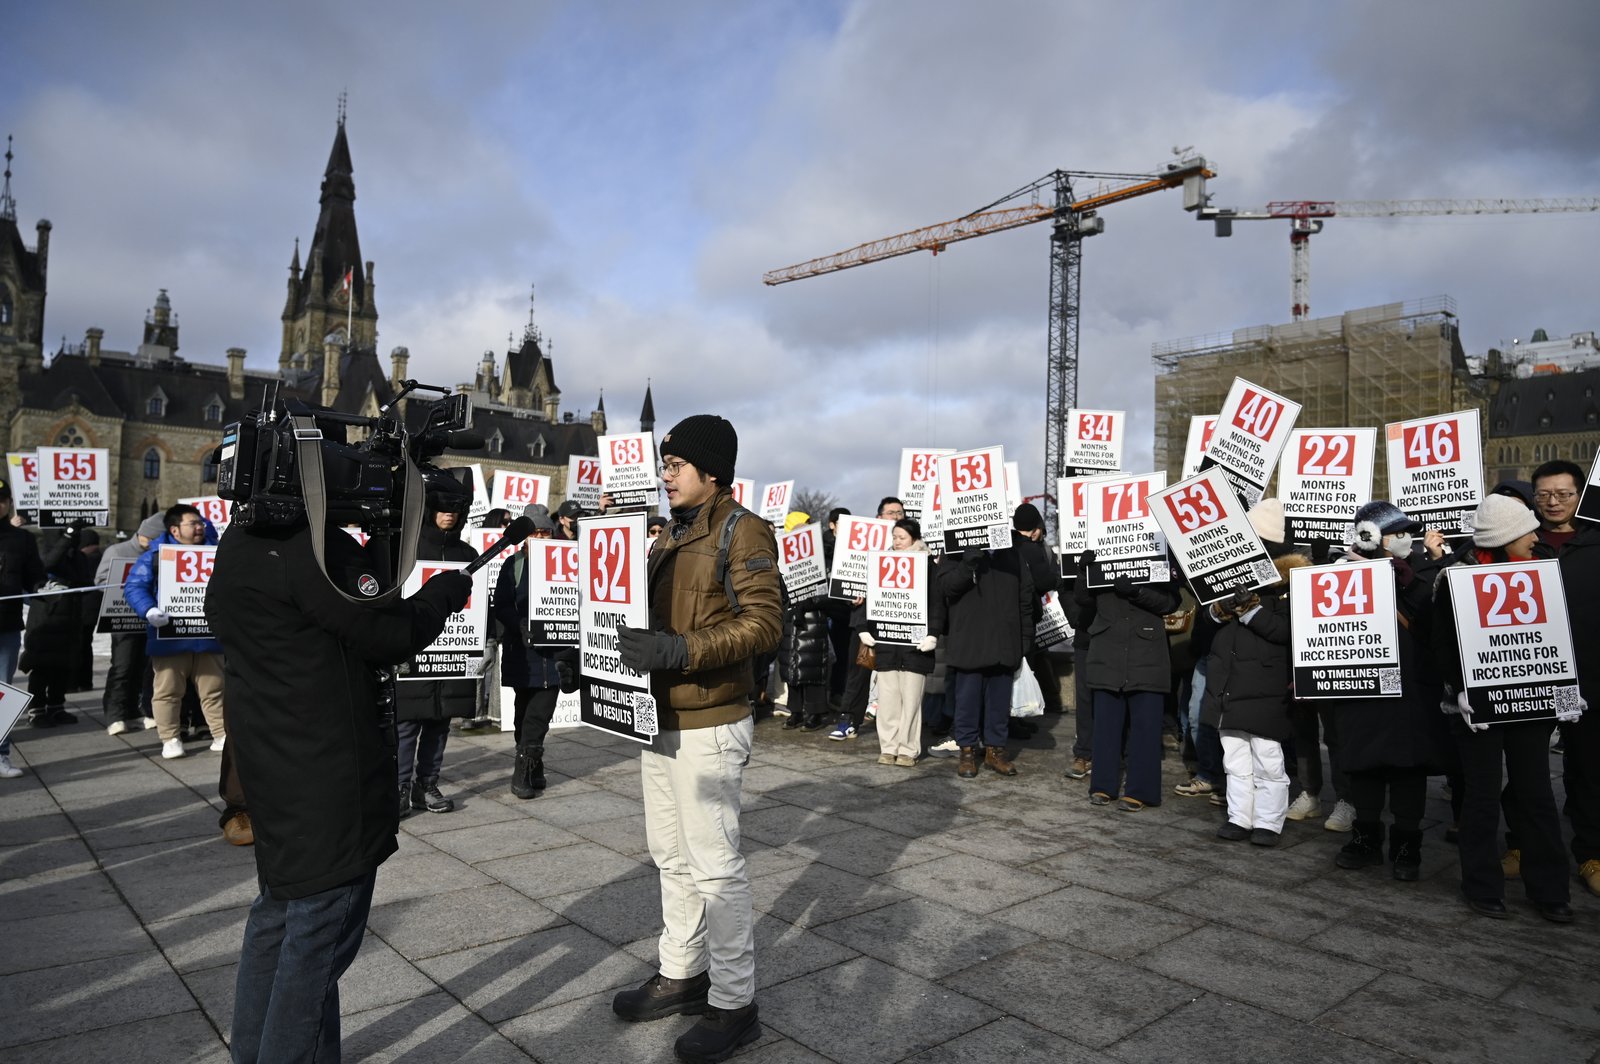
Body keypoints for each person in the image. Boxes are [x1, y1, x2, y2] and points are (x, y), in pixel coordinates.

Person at [206, 502, 473, 1062]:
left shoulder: (243, 539)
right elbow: (387, 632)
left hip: (271, 765)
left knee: (276, 922)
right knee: (314, 945)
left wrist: (378, 545)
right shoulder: (313, 548)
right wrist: (444, 594)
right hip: (325, 775)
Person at [610, 414, 780, 1064]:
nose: (665, 472)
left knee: (715, 866)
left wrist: (679, 650)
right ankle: (682, 971)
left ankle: (735, 1003)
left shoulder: (744, 529)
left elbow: (765, 624)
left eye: (676, 463)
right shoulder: (671, 535)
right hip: (660, 717)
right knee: (670, 856)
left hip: (710, 720)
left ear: (712, 472)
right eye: (664, 462)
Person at [1432, 493, 1575, 922]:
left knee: (1536, 794)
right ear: (1505, 537)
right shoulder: (1455, 578)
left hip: (1530, 704)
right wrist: (1459, 690)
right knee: (1480, 795)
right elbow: (1441, 644)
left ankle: (1549, 889)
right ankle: (1481, 885)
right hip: (1478, 709)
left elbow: (1556, 638)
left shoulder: (1542, 572)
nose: (1535, 537)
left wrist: (1565, 691)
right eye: (1526, 531)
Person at [1327, 500, 1450, 879]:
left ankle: (1406, 844)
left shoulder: (1422, 573)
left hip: (1411, 688)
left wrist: (1412, 577)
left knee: (1407, 768)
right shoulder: (1341, 572)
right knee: (1363, 765)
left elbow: (1433, 623)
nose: (1407, 539)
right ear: (1374, 537)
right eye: (1399, 533)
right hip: (1362, 684)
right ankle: (1364, 839)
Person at [1202, 500, 1308, 846]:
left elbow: (1287, 631)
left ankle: (1268, 821)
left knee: (1267, 757)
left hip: (1264, 683)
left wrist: (1251, 610)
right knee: (1233, 755)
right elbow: (1208, 625)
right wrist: (1219, 610)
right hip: (1228, 682)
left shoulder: (1291, 583)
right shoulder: (1230, 574)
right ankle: (1240, 817)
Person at [1530, 460, 1600, 898]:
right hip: (1529, 676)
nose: (1553, 502)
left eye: (1563, 494)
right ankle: (1520, 845)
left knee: (1588, 770)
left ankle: (1591, 854)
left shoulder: (1596, 543)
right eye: (1544, 495)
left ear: (1580, 495)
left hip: (1589, 677)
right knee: (1526, 769)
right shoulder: (1518, 544)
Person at [1073, 550, 1181, 810]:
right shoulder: (1103, 553)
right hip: (1108, 650)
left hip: (1146, 651)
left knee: (1145, 727)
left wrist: (1136, 592)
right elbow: (1083, 599)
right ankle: (1103, 785)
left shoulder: (1160, 554)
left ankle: (1141, 791)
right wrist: (1083, 571)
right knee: (1106, 726)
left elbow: (1170, 602)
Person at [393, 495, 480, 816]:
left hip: (453, 653)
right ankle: (400, 786)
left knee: (440, 722)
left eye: (456, 510)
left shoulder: (468, 555)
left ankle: (426, 783)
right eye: (444, 508)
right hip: (416, 650)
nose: (450, 515)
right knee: (406, 724)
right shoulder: (408, 549)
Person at [122, 503, 227, 760]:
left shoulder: (217, 553)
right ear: (175, 530)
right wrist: (148, 610)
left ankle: (221, 734)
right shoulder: (155, 556)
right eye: (193, 523)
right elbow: (134, 586)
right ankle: (170, 738)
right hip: (170, 637)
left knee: (215, 689)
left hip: (208, 637)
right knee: (168, 691)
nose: (200, 527)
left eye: (201, 523)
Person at [490, 503, 576, 798]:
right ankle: (532, 763)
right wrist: (521, 626)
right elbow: (500, 606)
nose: (540, 537)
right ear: (525, 537)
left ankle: (524, 770)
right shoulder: (512, 566)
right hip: (522, 653)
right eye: (535, 532)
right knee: (522, 713)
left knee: (540, 713)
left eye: (545, 532)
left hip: (554, 656)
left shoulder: (568, 564)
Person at [939, 536, 1034, 780]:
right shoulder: (954, 551)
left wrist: (1024, 638)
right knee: (967, 701)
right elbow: (946, 588)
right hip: (969, 640)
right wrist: (967, 564)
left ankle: (995, 751)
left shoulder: (1012, 552)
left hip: (1005, 639)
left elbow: (1026, 597)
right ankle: (967, 751)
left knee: (999, 703)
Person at [860, 518, 940, 766]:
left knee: (911, 701)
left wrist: (933, 633)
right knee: (888, 701)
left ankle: (907, 749)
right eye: (894, 537)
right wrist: (864, 628)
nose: (896, 542)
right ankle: (888, 747)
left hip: (916, 645)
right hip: (886, 643)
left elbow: (937, 603)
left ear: (914, 539)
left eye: (901, 537)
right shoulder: (882, 563)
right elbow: (871, 597)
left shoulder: (928, 566)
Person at [829, 497, 906, 740]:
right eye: (891, 512)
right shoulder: (863, 546)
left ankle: (900, 726)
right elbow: (847, 579)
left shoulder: (912, 548)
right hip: (866, 623)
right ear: (879, 518)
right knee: (859, 671)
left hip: (898, 619)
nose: (896, 516)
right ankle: (848, 720)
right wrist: (852, 595)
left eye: (900, 513)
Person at [97, 514, 165, 735]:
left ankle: (136, 712)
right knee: (123, 667)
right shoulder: (117, 551)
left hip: (148, 620)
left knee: (144, 668)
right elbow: (99, 581)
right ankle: (115, 715)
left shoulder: (158, 554)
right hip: (123, 621)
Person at [0, 480, 43, 778]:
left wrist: (43, 586)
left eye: (3, 499)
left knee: (2, 693)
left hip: (6, 625)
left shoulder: (22, 540)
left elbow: (34, 576)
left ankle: (1, 753)